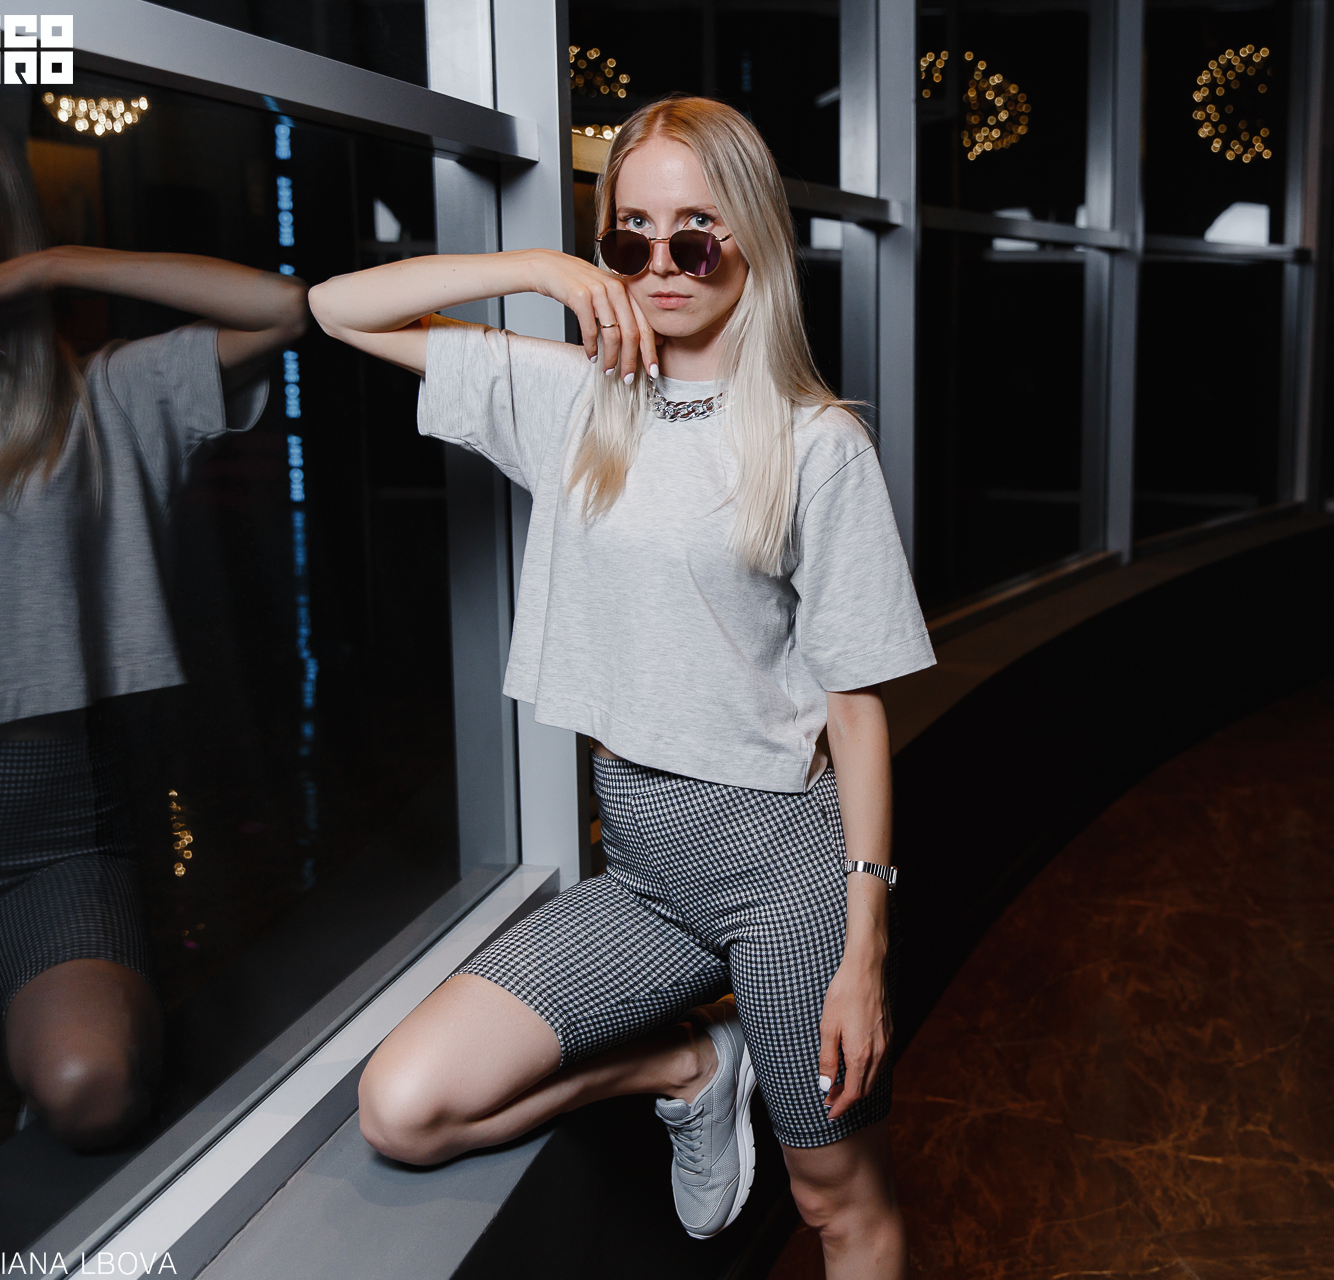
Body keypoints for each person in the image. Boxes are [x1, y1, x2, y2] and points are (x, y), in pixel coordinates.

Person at [309, 96, 930, 1275]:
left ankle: (736, 1045)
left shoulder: (818, 445)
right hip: (642, 868)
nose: (661, 264)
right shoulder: (570, 400)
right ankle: (689, 1064)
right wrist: (537, 267)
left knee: (836, 1201)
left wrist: (865, 948)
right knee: (403, 1105)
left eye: (694, 233)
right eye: (628, 235)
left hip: (785, 871)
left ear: (752, 236)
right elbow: (338, 308)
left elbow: (857, 710)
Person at [0, 106, 306, 1149]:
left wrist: (53, 265)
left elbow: (284, 308)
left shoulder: (101, 395)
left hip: (46, 830)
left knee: (91, 1088)